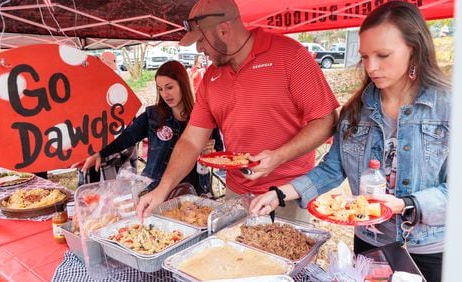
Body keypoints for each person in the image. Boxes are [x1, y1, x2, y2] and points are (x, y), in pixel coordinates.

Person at [250, 2, 450, 282]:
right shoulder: (356, 111)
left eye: (383, 55)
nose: (372, 67)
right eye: (365, 56)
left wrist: (404, 203)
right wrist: (280, 193)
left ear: (414, 49)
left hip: (429, 249)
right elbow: (332, 169)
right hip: (370, 242)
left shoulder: (448, 107)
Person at [136, 0, 339, 221]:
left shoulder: (290, 56)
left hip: (288, 194)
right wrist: (162, 189)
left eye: (201, 40)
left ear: (223, 30)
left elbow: (326, 121)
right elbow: (191, 141)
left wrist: (278, 157)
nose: (199, 48)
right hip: (237, 194)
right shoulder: (210, 78)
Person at [72, 60, 223, 194]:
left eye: (169, 87)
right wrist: (100, 152)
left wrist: (210, 153)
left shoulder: (203, 115)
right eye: (160, 89)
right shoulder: (153, 116)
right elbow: (127, 136)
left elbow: (219, 152)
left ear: (183, 84)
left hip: (194, 189)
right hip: (155, 188)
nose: (165, 94)